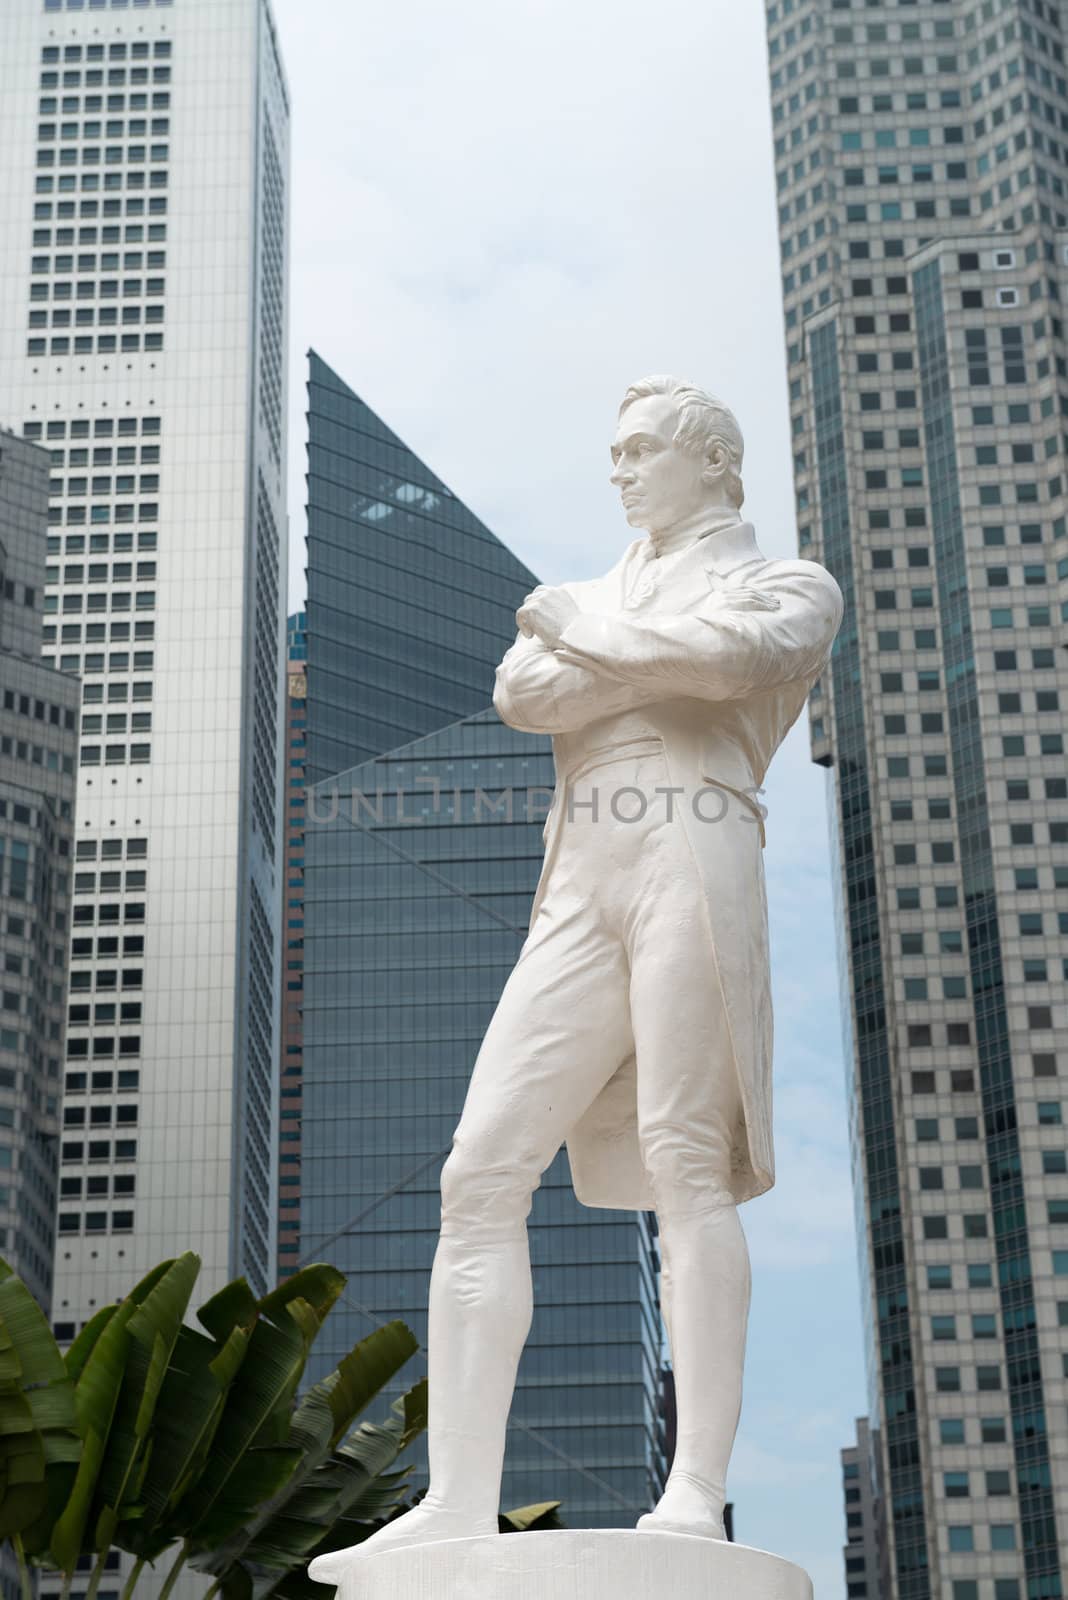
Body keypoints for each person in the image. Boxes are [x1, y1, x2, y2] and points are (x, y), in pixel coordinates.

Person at [310, 376, 843, 1580]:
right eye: (613, 452)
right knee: (480, 1167)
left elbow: (737, 657)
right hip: (580, 871)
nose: (620, 470)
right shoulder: (597, 596)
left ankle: (696, 1489)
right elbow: (522, 694)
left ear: (713, 462)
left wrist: (584, 635)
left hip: (695, 850)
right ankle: (457, 1497)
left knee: (686, 1164)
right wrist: (624, 651)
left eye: (642, 449)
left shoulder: (787, 580)